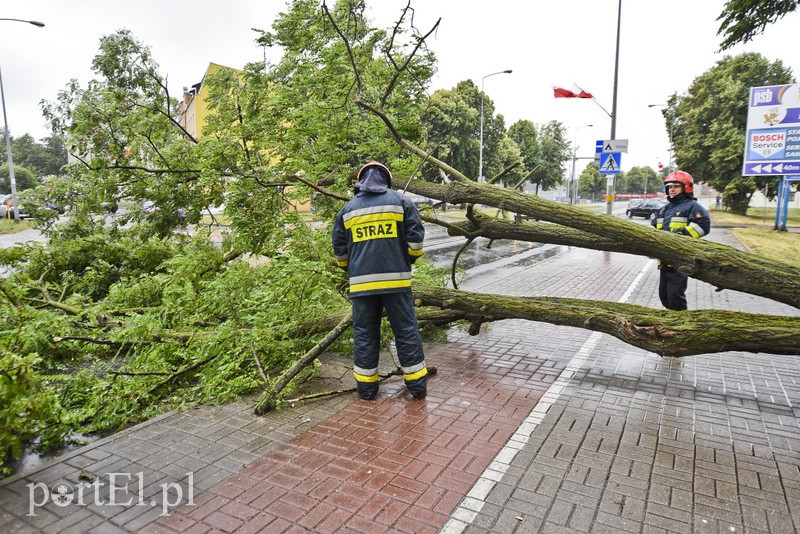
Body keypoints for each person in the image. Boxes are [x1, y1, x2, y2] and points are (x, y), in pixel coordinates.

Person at [331, 161, 429, 400]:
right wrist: (406, 260)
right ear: (386, 180)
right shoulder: (401, 202)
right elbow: (416, 241)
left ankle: (366, 390)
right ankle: (417, 387)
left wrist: (352, 269)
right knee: (405, 331)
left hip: (362, 286)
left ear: (360, 181)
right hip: (396, 283)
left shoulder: (347, 210)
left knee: (365, 334)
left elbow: (340, 252)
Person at [651, 170, 711, 311]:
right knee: (664, 296)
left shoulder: (692, 206)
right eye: (670, 187)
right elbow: (654, 229)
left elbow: (703, 225)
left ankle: (681, 325)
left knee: (675, 297)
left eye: (676, 186)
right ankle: (671, 322)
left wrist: (681, 235)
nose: (672, 189)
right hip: (664, 261)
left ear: (686, 187)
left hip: (680, 261)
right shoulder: (664, 209)